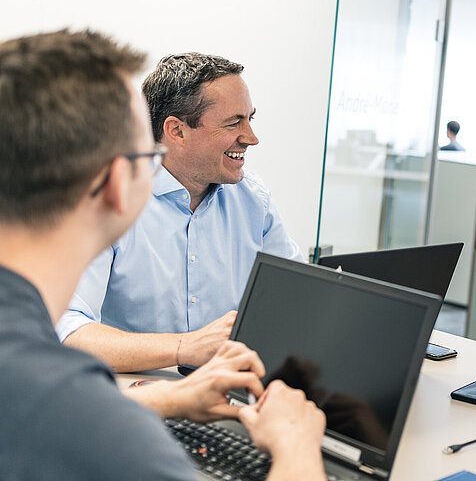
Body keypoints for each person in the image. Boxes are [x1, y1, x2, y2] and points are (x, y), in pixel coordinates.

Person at [0, 29, 327, 480]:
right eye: (144, 151)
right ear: (117, 182)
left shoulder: (26, 355)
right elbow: (74, 402)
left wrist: (171, 397)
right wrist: (296, 444)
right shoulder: (88, 419)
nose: (250, 137)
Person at [57, 52, 305, 373]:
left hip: (224, 389)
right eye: (234, 123)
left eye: (250, 119)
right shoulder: (108, 200)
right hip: (133, 392)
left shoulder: (254, 201)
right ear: (176, 131)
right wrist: (184, 347)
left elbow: (298, 304)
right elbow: (68, 333)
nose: (251, 138)